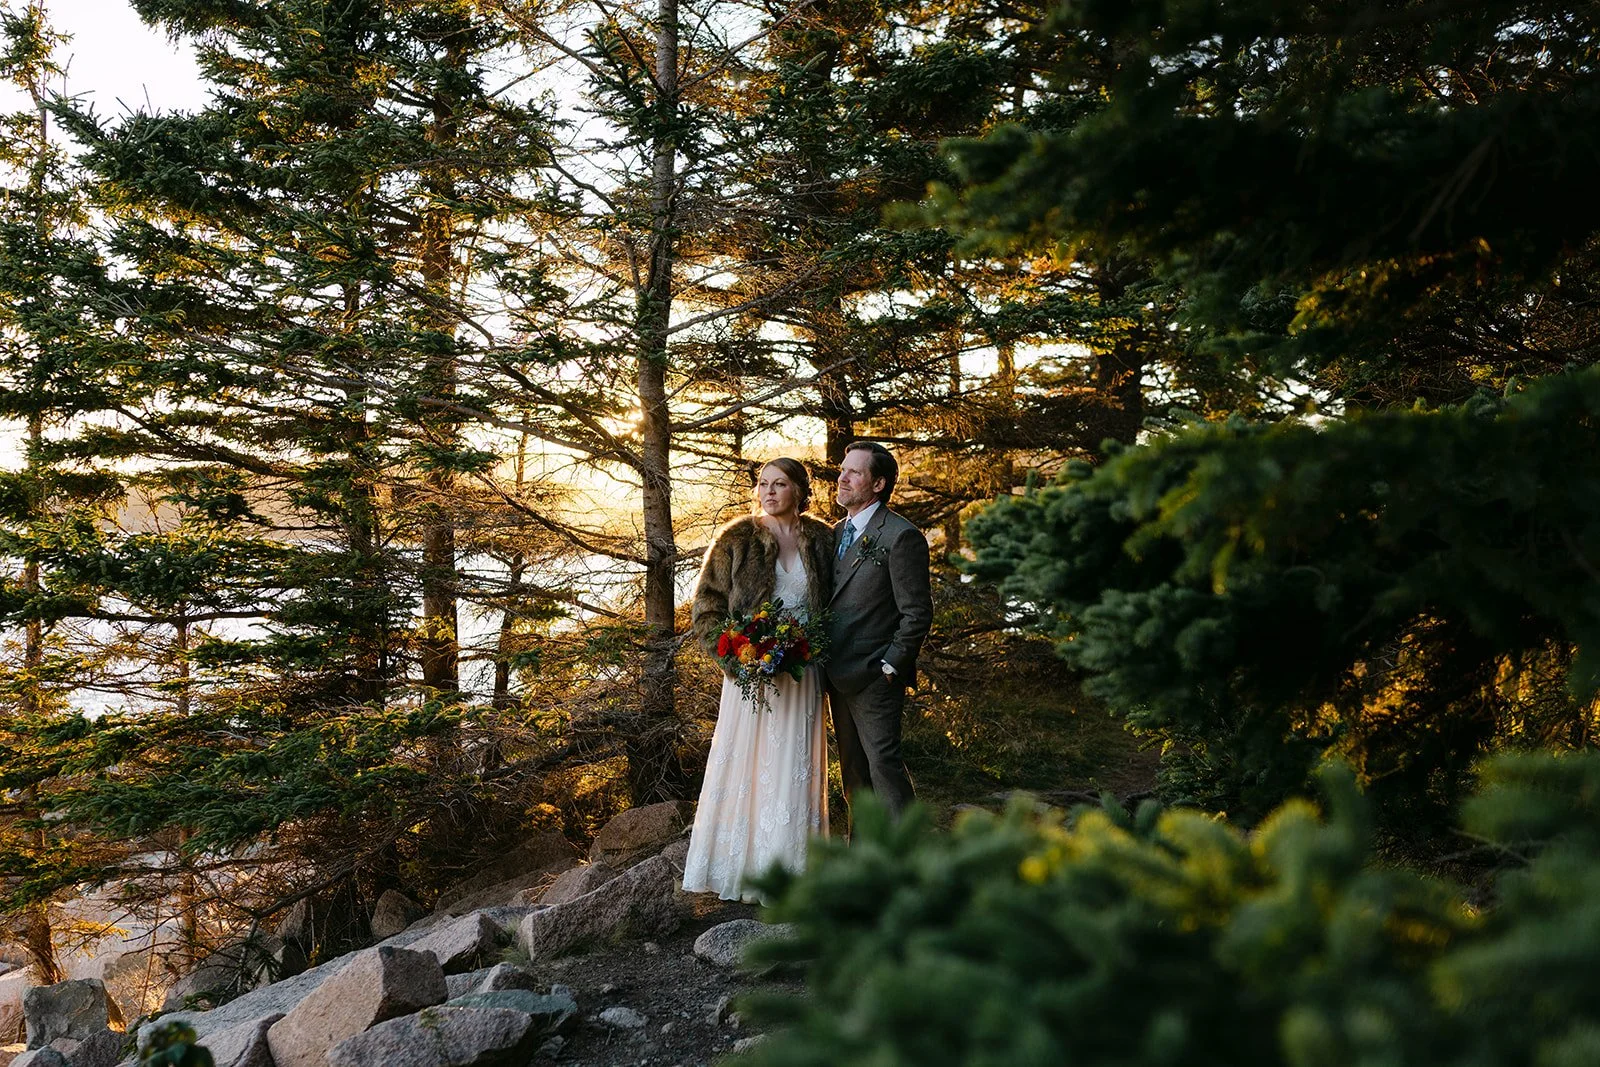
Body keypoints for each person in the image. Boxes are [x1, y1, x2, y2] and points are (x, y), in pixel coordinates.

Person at [682, 458, 836, 901]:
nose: (769, 491)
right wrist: (735, 658)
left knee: (792, 766)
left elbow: (838, 604)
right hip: (750, 676)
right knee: (748, 765)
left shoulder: (824, 539)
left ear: (799, 490)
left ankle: (791, 869)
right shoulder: (736, 538)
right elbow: (706, 608)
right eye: (763, 483)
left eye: (780, 484)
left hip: (804, 672)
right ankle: (742, 866)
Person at [825, 441, 932, 823]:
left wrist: (891, 665)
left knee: (884, 768)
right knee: (853, 774)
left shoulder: (901, 536)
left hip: (875, 675)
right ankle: (864, 852)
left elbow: (916, 613)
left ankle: (908, 851)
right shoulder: (836, 532)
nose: (842, 478)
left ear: (878, 483)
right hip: (836, 673)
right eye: (843, 470)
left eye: (854, 472)